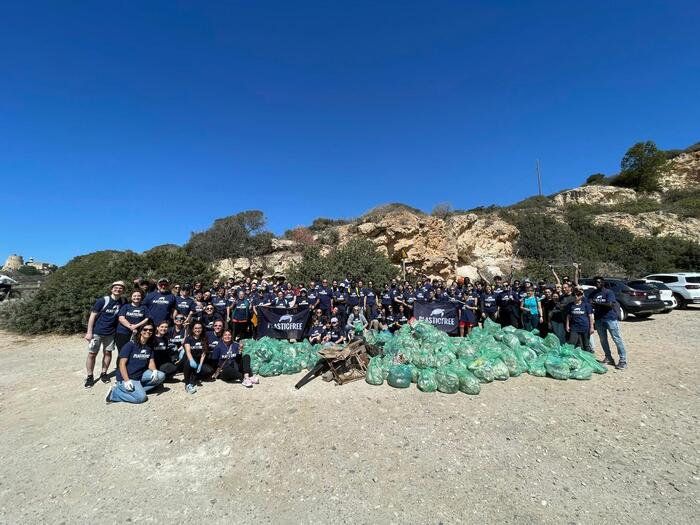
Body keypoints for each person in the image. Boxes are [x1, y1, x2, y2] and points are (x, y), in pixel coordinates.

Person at [105, 323, 165, 404]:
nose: (148, 331)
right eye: (145, 329)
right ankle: (114, 394)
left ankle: (136, 390)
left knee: (161, 376)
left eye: (150, 330)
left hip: (140, 375)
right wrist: (126, 380)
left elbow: (151, 361)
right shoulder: (130, 345)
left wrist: (154, 370)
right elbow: (121, 364)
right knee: (141, 398)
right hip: (127, 377)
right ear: (140, 331)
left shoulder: (149, 346)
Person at [85, 281, 125, 387]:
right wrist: (89, 332)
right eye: (116, 288)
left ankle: (104, 373)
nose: (118, 289)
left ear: (123, 291)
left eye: (121, 288)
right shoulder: (103, 300)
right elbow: (92, 316)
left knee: (108, 353)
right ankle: (90, 376)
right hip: (97, 332)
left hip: (111, 333)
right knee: (92, 354)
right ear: (111, 289)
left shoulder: (123, 301)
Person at [589, 277, 627, 369]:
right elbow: (589, 302)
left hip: (610, 319)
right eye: (595, 282)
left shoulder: (608, 292)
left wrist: (597, 304)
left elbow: (610, 304)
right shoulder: (593, 293)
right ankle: (608, 357)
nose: (596, 283)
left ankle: (623, 360)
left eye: (598, 282)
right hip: (599, 319)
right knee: (603, 340)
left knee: (616, 338)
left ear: (603, 283)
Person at [182, 321, 213, 394]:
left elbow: (203, 353)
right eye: (195, 328)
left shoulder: (204, 338)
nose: (197, 330)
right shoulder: (188, 338)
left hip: (199, 360)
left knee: (209, 370)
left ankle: (194, 376)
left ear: (202, 329)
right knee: (188, 363)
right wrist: (191, 360)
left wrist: (201, 364)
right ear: (192, 329)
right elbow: (188, 351)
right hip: (189, 358)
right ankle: (187, 384)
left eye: (199, 328)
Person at [115, 289, 150, 354]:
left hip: (137, 333)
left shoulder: (144, 307)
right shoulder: (125, 306)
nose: (136, 297)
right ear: (131, 297)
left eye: (138, 296)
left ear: (141, 297)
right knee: (122, 352)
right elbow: (121, 318)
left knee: (134, 351)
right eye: (134, 296)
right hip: (123, 332)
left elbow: (146, 319)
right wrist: (131, 327)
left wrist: (136, 326)